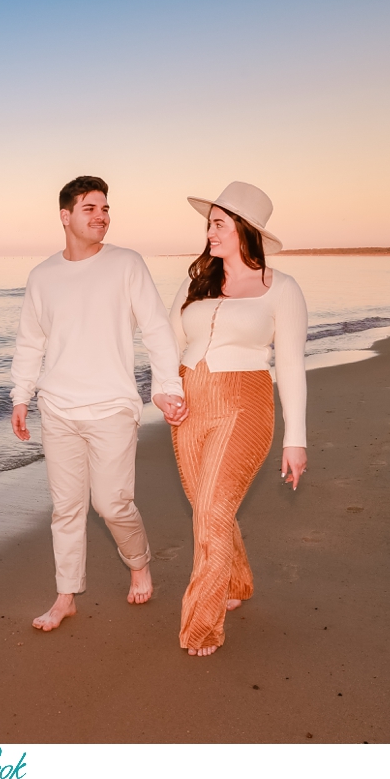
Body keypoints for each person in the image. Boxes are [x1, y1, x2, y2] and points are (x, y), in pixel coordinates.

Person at [11, 176, 189, 631]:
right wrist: (21, 395)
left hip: (111, 406)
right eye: (90, 208)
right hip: (58, 408)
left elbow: (155, 329)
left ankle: (139, 562)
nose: (101, 216)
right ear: (65, 216)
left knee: (112, 504)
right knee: (66, 508)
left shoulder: (126, 264)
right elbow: (31, 342)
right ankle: (65, 595)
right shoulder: (42, 276)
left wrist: (167, 386)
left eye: (106, 208)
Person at [155, 182, 308, 657]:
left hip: (245, 404)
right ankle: (237, 581)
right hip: (189, 405)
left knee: (212, 515)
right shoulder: (196, 280)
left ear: (245, 230)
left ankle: (202, 625)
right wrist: (166, 392)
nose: (209, 232)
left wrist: (295, 438)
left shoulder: (281, 288)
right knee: (208, 507)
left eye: (219, 223)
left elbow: (290, 365)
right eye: (208, 223)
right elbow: (165, 340)